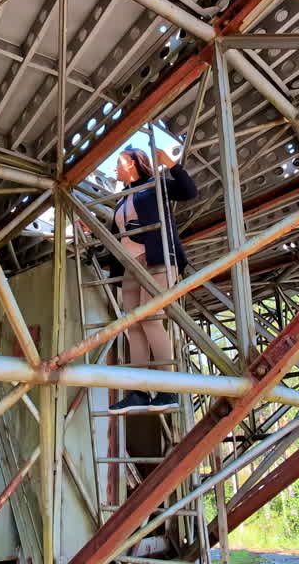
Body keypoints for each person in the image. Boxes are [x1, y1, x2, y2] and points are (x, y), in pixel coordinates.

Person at [105, 146, 197, 414]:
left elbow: (189, 192)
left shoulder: (154, 185)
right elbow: (118, 234)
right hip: (130, 266)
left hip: (157, 259)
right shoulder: (122, 199)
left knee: (151, 318)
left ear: (134, 164)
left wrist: (170, 164)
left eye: (120, 162)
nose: (116, 168)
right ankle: (139, 392)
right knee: (133, 325)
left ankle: (168, 390)